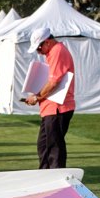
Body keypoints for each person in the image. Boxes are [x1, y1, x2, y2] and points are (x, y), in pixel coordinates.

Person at [25, 26, 76, 169]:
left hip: (58, 107)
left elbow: (54, 82)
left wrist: (37, 97)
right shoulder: (52, 53)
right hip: (51, 107)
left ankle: (55, 176)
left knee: (54, 146)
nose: (38, 51)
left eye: (39, 47)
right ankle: (45, 175)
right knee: (43, 145)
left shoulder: (57, 51)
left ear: (47, 42)